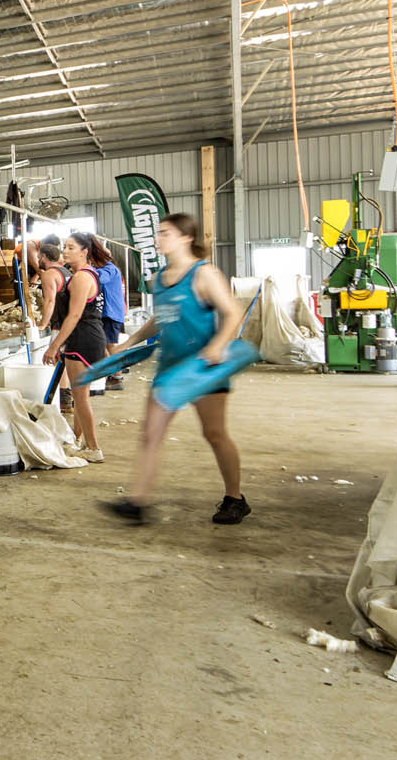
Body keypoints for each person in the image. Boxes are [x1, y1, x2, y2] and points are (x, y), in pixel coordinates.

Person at [105, 214, 249, 526]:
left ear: (186, 237)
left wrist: (217, 346)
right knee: (150, 434)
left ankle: (235, 498)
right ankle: (138, 502)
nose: (159, 238)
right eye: (158, 233)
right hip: (170, 369)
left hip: (203, 369)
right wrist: (127, 343)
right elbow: (161, 317)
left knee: (214, 433)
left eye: (165, 233)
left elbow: (232, 312)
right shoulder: (160, 278)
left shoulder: (203, 275)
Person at [41, 232, 109, 462]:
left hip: (82, 339)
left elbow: (74, 315)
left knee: (81, 398)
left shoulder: (81, 278)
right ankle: (79, 440)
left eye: (71, 247)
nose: (66, 251)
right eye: (65, 247)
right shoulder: (88, 274)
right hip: (89, 337)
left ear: (84, 251)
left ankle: (93, 447)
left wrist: (54, 345)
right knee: (82, 396)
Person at [90, 238, 129, 390]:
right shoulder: (107, 268)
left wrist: (85, 268)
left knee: (110, 345)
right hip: (109, 313)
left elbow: (99, 279)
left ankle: (117, 377)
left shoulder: (109, 269)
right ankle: (114, 375)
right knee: (107, 344)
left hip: (111, 314)